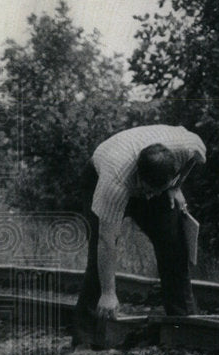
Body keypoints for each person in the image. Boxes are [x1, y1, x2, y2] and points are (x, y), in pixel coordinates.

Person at [74, 125, 206, 338]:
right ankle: (85, 336)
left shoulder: (187, 147)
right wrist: (109, 293)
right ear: (138, 176)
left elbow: (195, 156)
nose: (148, 197)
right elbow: (106, 240)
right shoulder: (114, 182)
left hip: (157, 177)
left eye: (155, 192)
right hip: (100, 175)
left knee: (174, 246)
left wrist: (175, 186)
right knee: (98, 259)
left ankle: (183, 325)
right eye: (145, 190)